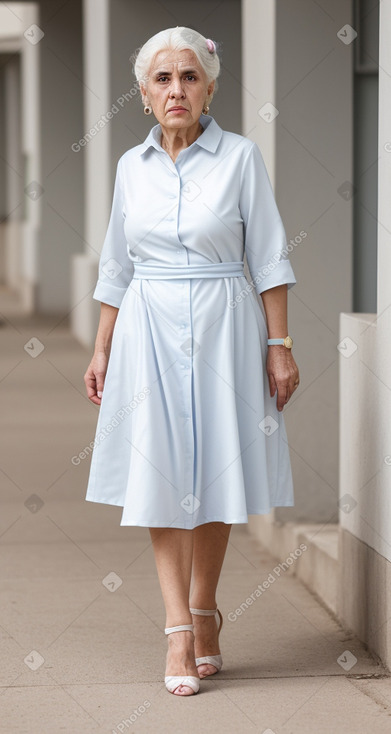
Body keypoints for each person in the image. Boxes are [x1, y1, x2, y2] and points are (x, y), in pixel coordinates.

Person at [84, 26, 300, 697]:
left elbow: (266, 255)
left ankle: (204, 607)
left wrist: (278, 346)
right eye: (161, 79)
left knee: (215, 475)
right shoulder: (129, 166)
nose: (175, 90)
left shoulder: (239, 158)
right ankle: (178, 627)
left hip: (223, 327)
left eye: (188, 77)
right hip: (146, 327)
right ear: (144, 94)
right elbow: (117, 264)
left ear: (208, 88)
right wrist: (101, 347)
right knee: (160, 473)